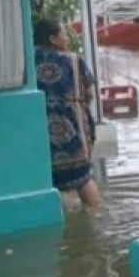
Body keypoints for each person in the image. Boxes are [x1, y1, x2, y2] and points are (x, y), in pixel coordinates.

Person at [34, 19, 101, 208]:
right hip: (71, 130)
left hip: (39, 130)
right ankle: (94, 216)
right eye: (63, 33)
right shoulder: (73, 60)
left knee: (48, 180)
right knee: (83, 178)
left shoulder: (27, 62)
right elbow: (88, 94)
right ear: (53, 39)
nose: (66, 37)